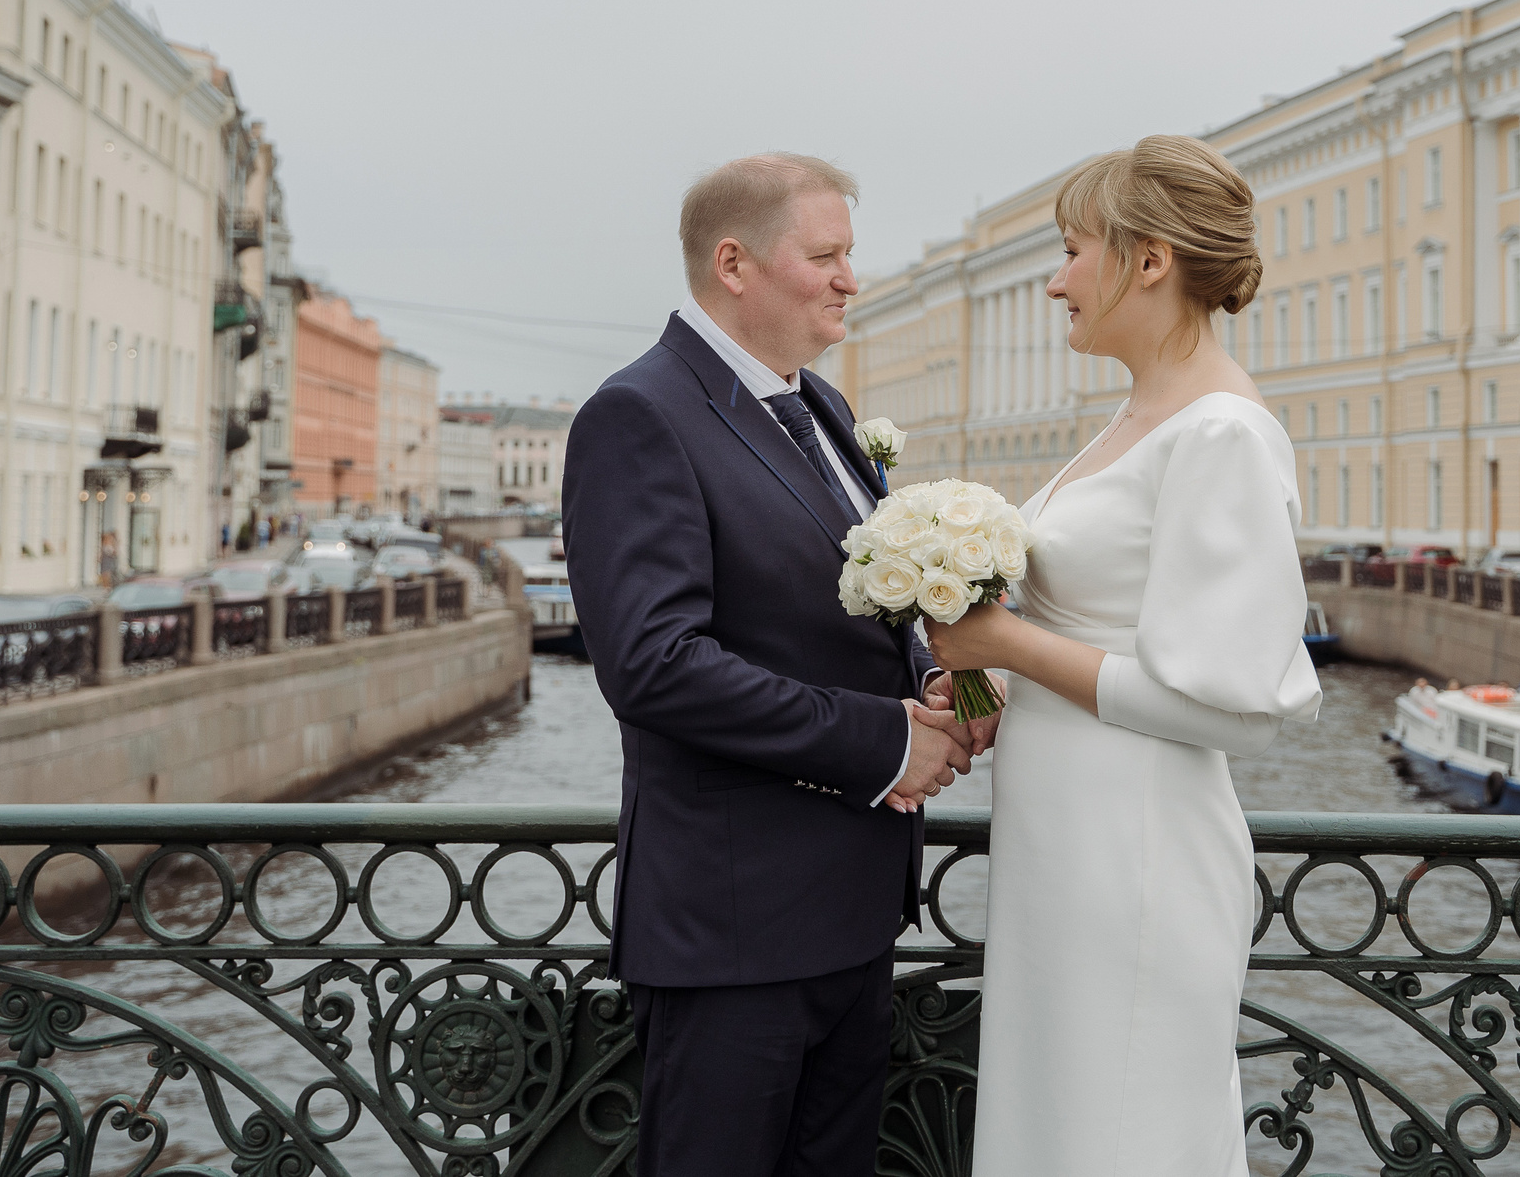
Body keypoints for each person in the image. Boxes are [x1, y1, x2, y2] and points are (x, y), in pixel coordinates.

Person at [563, 153, 978, 1177]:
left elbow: (867, 615)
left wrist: (943, 679)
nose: (849, 279)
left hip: (852, 917)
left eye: (850, 255)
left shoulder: (824, 410)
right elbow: (655, 665)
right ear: (735, 263)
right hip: (734, 934)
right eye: (826, 256)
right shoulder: (639, 414)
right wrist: (887, 743)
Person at [925, 135, 1323, 1177]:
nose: (1056, 280)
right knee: (1062, 1127)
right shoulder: (1134, 416)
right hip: (1066, 847)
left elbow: (1232, 709)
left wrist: (1003, 641)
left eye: (1071, 250)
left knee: (1122, 1132)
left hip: (1137, 851)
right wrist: (978, 672)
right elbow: (1089, 619)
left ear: (1147, 261)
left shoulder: (1220, 435)